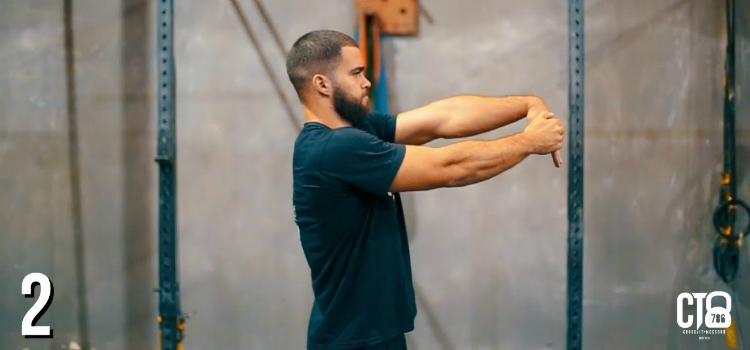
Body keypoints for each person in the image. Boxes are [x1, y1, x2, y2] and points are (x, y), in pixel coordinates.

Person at [286, 30, 564, 350]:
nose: (366, 82)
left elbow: (440, 119)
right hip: (352, 341)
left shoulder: (356, 130)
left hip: (375, 332)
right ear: (322, 84)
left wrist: (527, 105)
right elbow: (451, 167)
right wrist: (529, 141)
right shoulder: (334, 149)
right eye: (356, 73)